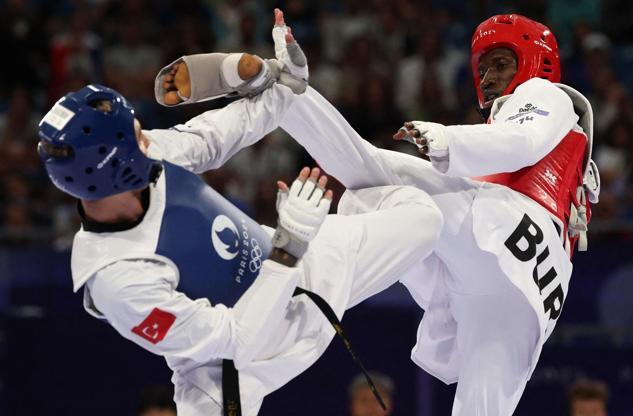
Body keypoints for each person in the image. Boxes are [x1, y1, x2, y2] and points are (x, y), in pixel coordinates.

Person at [159, 9, 600, 415]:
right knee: (371, 202)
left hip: (511, 232)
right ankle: (285, 98)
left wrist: (445, 140)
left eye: (500, 64)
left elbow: (520, 143)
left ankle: (282, 92)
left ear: (534, 62)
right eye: (482, 68)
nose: (486, 78)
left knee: (370, 174)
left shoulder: (548, 95)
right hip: (532, 296)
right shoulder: (535, 128)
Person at [37, 56, 442, 416]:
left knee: (424, 219)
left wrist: (276, 81)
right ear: (115, 165)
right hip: (237, 367)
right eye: (138, 136)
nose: (148, 139)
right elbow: (236, 341)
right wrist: (291, 244)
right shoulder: (120, 280)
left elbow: (212, 136)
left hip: (305, 268)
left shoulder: (147, 160)